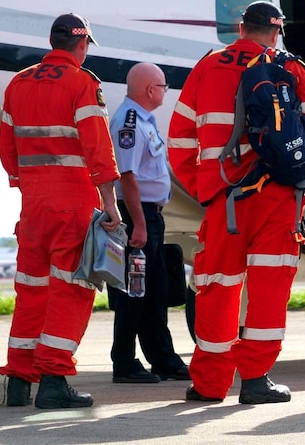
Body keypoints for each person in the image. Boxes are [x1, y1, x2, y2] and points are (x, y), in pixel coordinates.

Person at [167, 0, 305, 404]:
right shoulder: (292, 67)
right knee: (268, 289)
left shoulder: (207, 66)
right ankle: (257, 381)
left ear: (240, 28)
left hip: (224, 200)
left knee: (217, 288)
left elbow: (179, 140)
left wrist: (206, 186)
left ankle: (209, 384)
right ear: (276, 31)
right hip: (277, 199)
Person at [0, 13, 121, 409]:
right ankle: (53, 379)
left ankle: (19, 380)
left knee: (31, 290)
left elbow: (7, 149)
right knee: (72, 288)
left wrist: (28, 184)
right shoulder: (83, 83)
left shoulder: (17, 82)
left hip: (33, 206)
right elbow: (98, 147)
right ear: (82, 45)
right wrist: (110, 203)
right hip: (73, 203)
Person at [107, 62, 189, 384]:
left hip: (149, 216)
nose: (165, 92)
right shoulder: (129, 124)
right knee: (133, 292)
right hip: (136, 216)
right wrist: (138, 225)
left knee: (154, 291)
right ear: (150, 90)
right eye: (163, 86)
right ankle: (124, 362)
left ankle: (163, 359)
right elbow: (127, 177)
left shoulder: (145, 121)